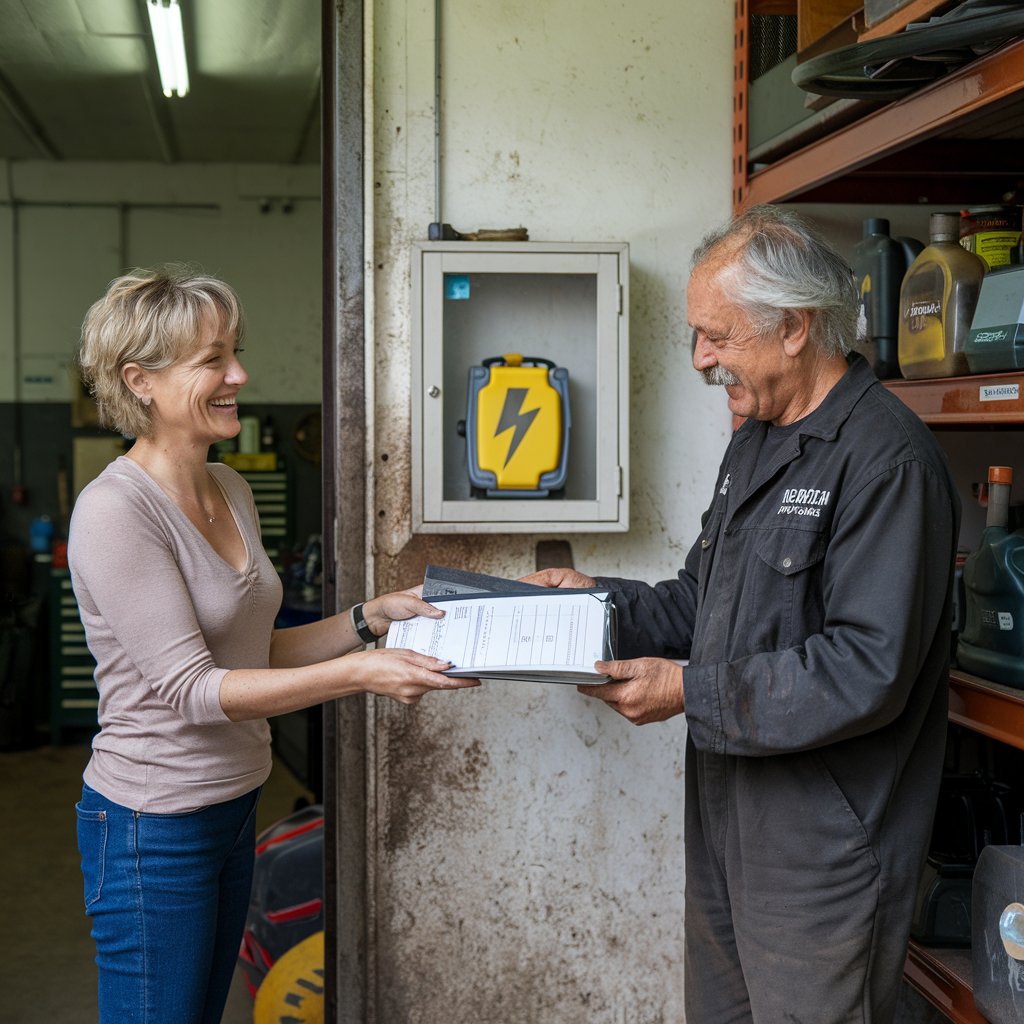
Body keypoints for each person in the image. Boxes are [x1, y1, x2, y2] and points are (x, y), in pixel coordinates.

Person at [525, 205, 961, 1023]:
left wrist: (690, 691)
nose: (701, 359)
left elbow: (867, 667)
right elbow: (702, 601)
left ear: (795, 327)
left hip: (823, 840)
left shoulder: (886, 461)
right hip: (729, 813)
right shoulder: (758, 439)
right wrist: (598, 603)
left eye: (717, 337)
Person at [69, 265, 476, 1024]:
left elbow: (251, 653)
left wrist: (371, 618)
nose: (240, 374)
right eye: (213, 359)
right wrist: (361, 673)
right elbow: (193, 690)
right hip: (151, 825)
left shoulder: (230, 488)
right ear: (142, 381)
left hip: (230, 802)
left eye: (235, 351)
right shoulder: (114, 511)